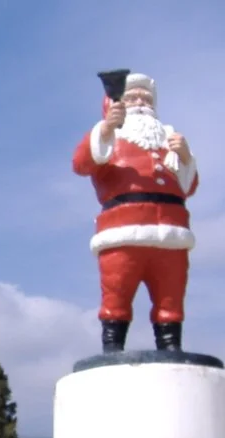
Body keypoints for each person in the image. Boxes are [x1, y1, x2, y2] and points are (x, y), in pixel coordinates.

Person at [72, 72, 199, 354]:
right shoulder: (110, 139)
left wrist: (187, 158)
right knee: (116, 295)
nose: (141, 101)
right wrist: (105, 130)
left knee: (171, 297)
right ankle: (113, 349)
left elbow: (189, 187)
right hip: (122, 231)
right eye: (133, 97)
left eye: (146, 97)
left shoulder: (168, 139)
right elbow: (81, 164)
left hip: (171, 232)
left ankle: (171, 347)